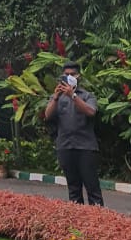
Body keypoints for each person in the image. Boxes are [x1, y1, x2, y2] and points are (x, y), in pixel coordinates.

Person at [44, 62, 104, 206]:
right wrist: (56, 97)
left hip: (86, 148)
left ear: (79, 76)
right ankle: (78, 222)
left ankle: (99, 222)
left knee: (92, 188)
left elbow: (91, 112)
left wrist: (73, 96)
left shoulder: (87, 96)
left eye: (72, 74)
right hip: (65, 147)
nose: (69, 77)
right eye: (66, 74)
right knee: (73, 189)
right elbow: (47, 115)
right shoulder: (57, 97)